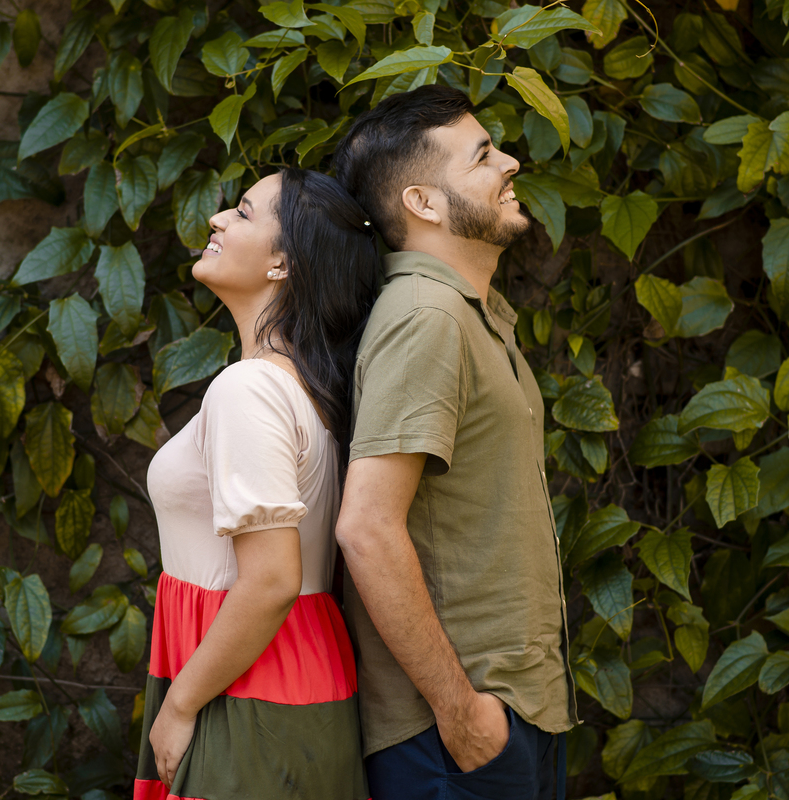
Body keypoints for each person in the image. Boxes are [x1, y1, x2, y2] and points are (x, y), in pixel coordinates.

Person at [331, 84, 577, 800]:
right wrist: (460, 713)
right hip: (453, 739)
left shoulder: (468, 314)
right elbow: (367, 527)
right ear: (425, 203)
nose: (511, 162)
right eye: (482, 155)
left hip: (505, 715)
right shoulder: (425, 317)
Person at [134, 168, 377, 800]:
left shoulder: (251, 388)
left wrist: (181, 704)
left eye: (242, 213)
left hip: (245, 676)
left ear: (281, 264)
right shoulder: (303, 384)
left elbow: (271, 579)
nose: (216, 220)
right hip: (280, 667)